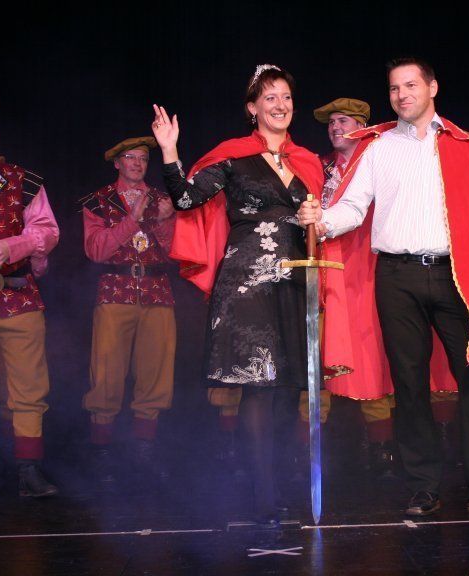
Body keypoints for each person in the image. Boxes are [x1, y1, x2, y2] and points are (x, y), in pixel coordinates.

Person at [297, 57, 469, 517]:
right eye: (394, 88)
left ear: (432, 88)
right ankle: (423, 486)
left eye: (410, 85)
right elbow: (354, 207)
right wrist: (322, 221)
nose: (402, 95)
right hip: (397, 276)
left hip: (456, 274)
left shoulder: (465, 145)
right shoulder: (378, 147)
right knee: (409, 382)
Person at [152, 64, 324, 525]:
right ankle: (262, 497)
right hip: (247, 282)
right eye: (270, 98)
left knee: (288, 392)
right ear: (253, 108)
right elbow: (186, 199)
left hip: (293, 280)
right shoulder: (233, 156)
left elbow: (320, 224)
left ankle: (277, 486)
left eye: (286, 97)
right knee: (259, 388)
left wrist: (315, 220)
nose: (280, 105)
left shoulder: (307, 162)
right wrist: (169, 151)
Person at [0, 96, 59, 499]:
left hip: (17, 294)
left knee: (29, 387)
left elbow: (49, 231)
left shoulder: (21, 179)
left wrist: (13, 246)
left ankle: (29, 471)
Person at [81, 136, 177, 483]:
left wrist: (165, 221)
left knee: (155, 373)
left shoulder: (164, 200)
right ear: (117, 162)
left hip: (156, 291)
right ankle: (102, 452)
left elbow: (176, 251)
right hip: (115, 291)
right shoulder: (98, 200)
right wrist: (132, 218)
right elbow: (96, 250)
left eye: (143, 159)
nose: (137, 164)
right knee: (106, 372)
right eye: (130, 158)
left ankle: (143, 452)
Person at [310, 97, 397, 477]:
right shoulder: (317, 168)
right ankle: (313, 451)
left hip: (367, 270)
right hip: (326, 273)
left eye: (343, 120)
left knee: (369, 353)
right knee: (319, 354)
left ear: (362, 127)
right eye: (331, 122)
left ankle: (381, 448)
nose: (335, 127)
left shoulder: (377, 164)